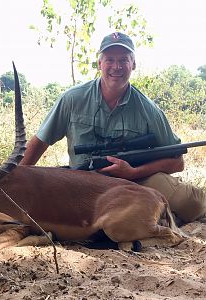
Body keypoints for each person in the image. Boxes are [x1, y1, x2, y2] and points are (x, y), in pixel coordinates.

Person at [20, 32, 206, 224]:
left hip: (134, 181)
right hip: (81, 180)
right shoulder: (72, 99)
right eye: (109, 59)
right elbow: (40, 141)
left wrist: (134, 172)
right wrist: (15, 178)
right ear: (100, 64)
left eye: (123, 60)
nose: (116, 66)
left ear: (133, 64)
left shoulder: (148, 109)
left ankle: (161, 215)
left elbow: (177, 162)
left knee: (192, 204)